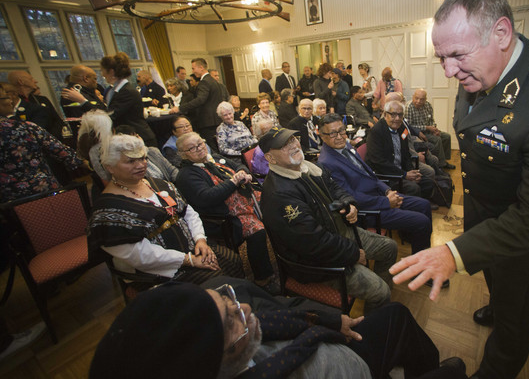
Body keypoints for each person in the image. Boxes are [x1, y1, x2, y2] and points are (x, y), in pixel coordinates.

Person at [389, 0, 529, 379]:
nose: (449, 71)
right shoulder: (476, 71)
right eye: (442, 58)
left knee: (512, 332)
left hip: (524, 246)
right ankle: (499, 302)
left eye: (456, 56)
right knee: (496, 286)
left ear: (501, 34)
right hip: (486, 224)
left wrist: (453, 253)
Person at [89, 280, 467, 379]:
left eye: (230, 301)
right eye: (233, 317)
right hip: (353, 368)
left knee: (396, 314)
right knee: (451, 374)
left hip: (338, 344)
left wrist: (332, 321)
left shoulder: (219, 344)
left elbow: (273, 320)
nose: (247, 309)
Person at [259, 127, 397, 313]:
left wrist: (348, 203)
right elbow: (313, 243)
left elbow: (334, 187)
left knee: (390, 247)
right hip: (317, 262)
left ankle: (377, 310)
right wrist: (354, 253)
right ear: (270, 159)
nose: (293, 145)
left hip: (339, 233)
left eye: (293, 139)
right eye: (284, 145)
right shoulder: (279, 195)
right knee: (381, 292)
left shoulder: (308, 167)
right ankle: (371, 327)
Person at [87, 134, 244, 284]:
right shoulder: (107, 211)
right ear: (110, 167)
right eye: (130, 161)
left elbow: (187, 211)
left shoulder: (157, 183)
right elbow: (139, 255)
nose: (140, 165)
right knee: (217, 278)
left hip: (193, 248)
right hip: (161, 271)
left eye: (143, 158)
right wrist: (189, 260)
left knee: (233, 261)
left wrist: (200, 239)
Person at [317, 114, 434, 257]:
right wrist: (386, 202)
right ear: (322, 136)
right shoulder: (327, 163)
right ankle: (421, 265)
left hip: (379, 194)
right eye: (333, 133)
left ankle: (416, 241)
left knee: (424, 205)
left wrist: (387, 191)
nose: (340, 136)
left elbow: (370, 174)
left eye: (341, 130)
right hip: (368, 210)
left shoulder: (345, 145)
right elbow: (351, 197)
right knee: (422, 222)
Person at [175, 132, 278, 293]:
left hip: (246, 198)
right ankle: (263, 278)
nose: (199, 149)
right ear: (183, 155)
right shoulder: (186, 175)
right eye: (192, 148)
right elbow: (207, 198)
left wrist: (243, 173)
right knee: (257, 231)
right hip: (226, 215)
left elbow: (239, 165)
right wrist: (233, 181)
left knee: (277, 204)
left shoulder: (213, 158)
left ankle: (287, 256)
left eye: (200, 144)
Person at [0, 85, 84, 203]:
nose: (10, 100)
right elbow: (62, 152)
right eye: (5, 97)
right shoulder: (25, 127)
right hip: (41, 191)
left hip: (7, 200)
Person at [366, 100, 435, 200]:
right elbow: (378, 162)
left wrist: (411, 172)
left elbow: (406, 153)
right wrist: (404, 175)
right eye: (393, 114)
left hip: (402, 171)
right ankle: (413, 210)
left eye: (400, 115)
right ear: (385, 115)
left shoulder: (402, 128)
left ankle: (421, 204)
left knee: (428, 182)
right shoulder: (376, 132)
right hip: (387, 175)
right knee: (413, 188)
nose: (397, 118)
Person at [170, 57, 229, 151]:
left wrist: (180, 108)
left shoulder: (204, 82)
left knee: (213, 149)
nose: (193, 71)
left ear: (201, 67)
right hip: (216, 120)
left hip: (208, 122)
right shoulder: (213, 81)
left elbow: (200, 100)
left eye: (193, 68)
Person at [100, 52, 157, 147]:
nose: (102, 74)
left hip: (139, 138)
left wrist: (83, 102)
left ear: (111, 71)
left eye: (103, 70)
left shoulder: (126, 91)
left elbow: (112, 115)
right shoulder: (116, 90)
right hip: (130, 138)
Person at [406, 89, 455, 170]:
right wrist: (426, 128)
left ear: (425, 99)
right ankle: (440, 165)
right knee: (437, 139)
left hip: (429, 130)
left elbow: (431, 120)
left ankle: (444, 160)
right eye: (416, 98)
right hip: (418, 133)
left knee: (446, 136)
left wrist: (435, 129)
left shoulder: (428, 105)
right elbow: (410, 126)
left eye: (422, 99)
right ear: (413, 97)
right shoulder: (409, 107)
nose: (418, 101)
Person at [7, 70, 64, 139]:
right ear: (21, 81)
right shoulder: (13, 103)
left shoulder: (42, 100)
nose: (35, 81)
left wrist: (51, 137)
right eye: (31, 79)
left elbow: (57, 120)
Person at [114, 125, 179, 182]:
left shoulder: (152, 151)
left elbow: (172, 171)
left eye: (137, 136)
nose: (137, 141)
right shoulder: (128, 163)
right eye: (131, 141)